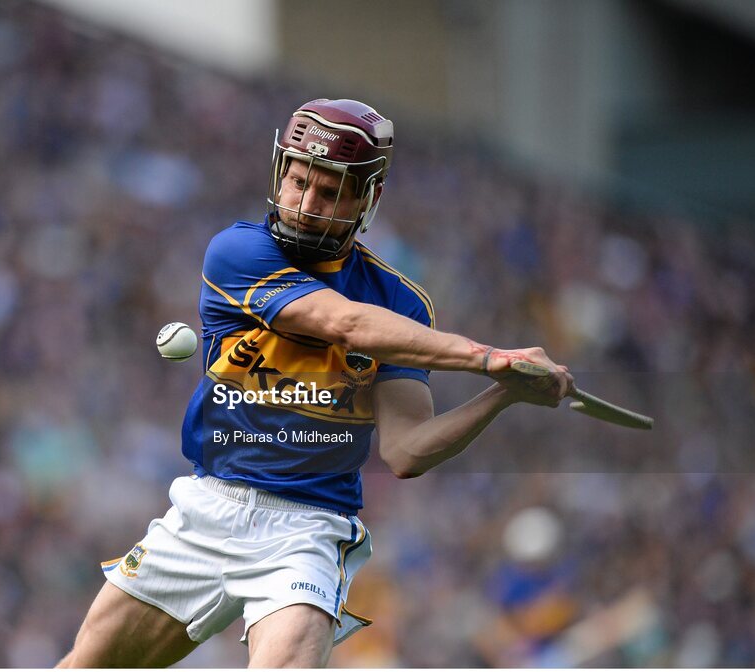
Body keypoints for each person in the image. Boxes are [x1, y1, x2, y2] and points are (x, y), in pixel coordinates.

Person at [57, 98, 573, 668]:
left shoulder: (400, 304)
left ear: (367, 200)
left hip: (306, 532)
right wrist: (485, 357)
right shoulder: (238, 252)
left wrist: (502, 393)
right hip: (207, 507)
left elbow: (406, 452)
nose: (305, 204)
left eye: (329, 193)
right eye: (298, 182)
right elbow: (345, 324)